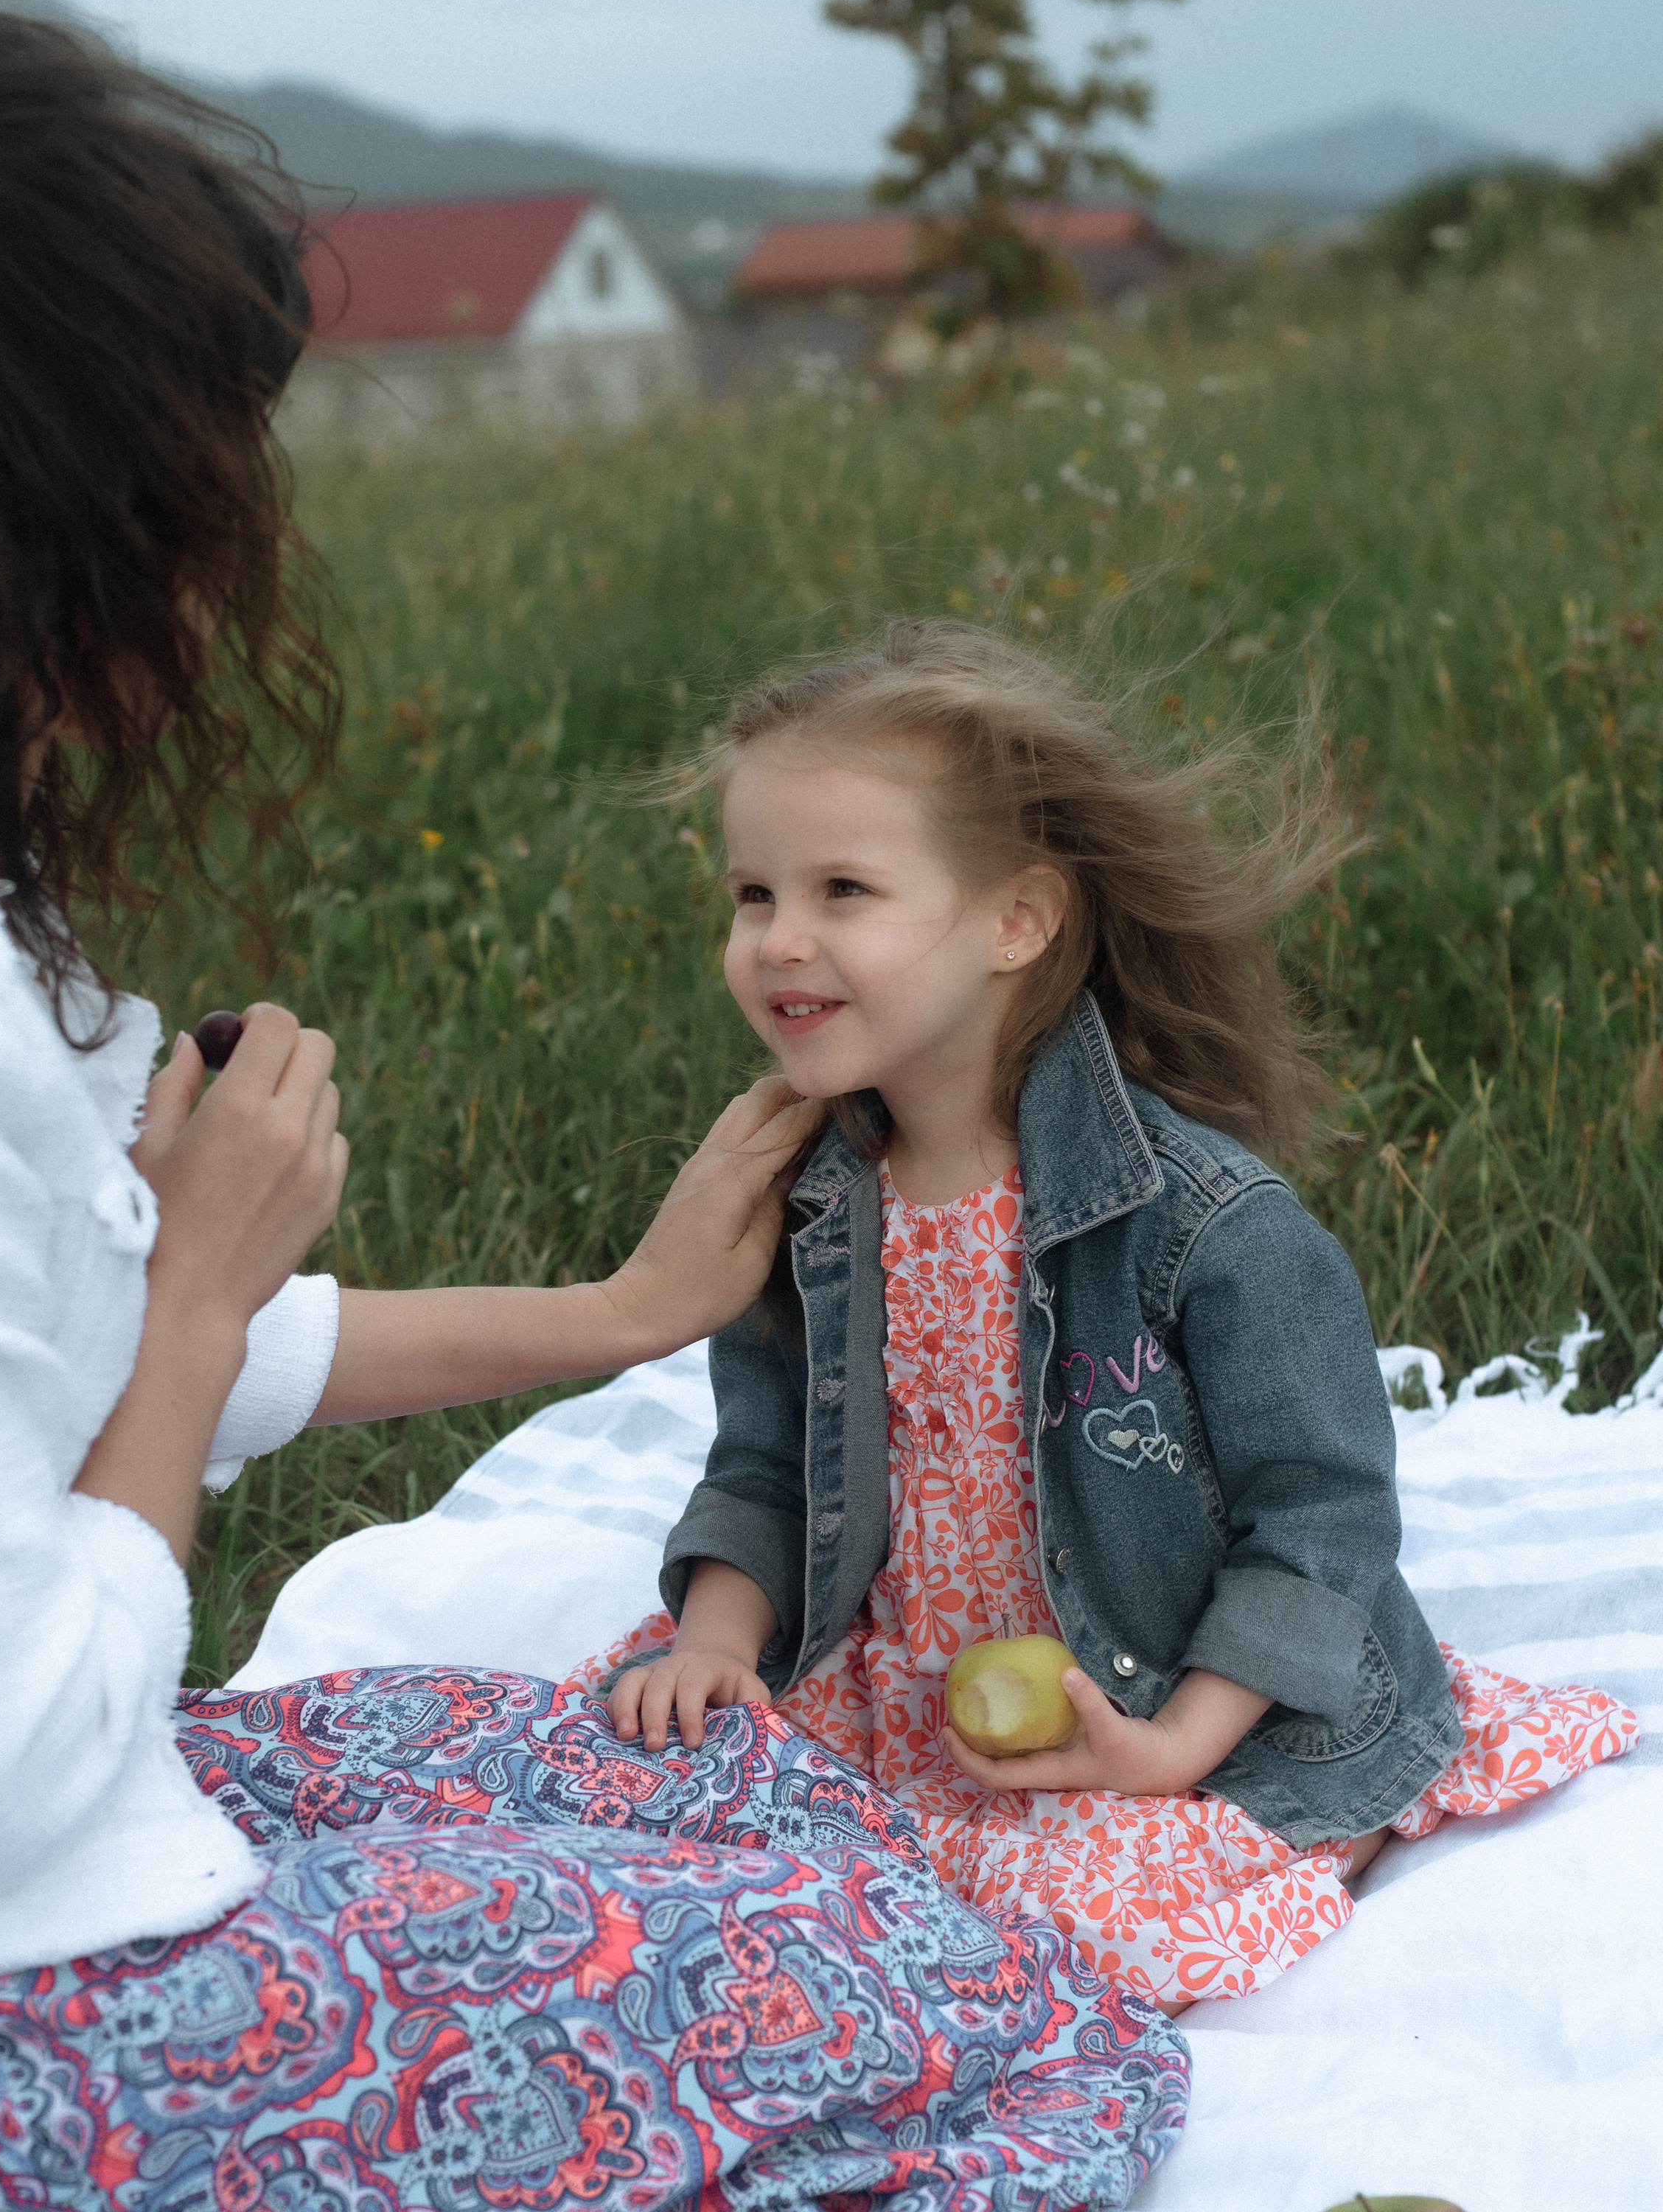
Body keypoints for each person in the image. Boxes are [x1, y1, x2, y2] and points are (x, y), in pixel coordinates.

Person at [0, 18, 1190, 2212]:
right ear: (89, 532)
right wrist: (202, 1280)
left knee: (686, 1783)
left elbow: (13, 1386)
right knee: (977, 2013)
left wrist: (629, 1313)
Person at [578, 621, 1639, 2012]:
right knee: (624, 1813)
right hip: (913, 1695)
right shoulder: (806, 1198)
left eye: (844, 889)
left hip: (1171, 1703)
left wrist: (1181, 1745)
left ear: (1019, 919)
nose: (781, 940)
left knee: (1061, 1949)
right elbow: (769, 1464)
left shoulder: (1202, 1219)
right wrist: (719, 1640)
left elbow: (1319, 1512)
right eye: (753, 892)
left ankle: (1322, 1812)